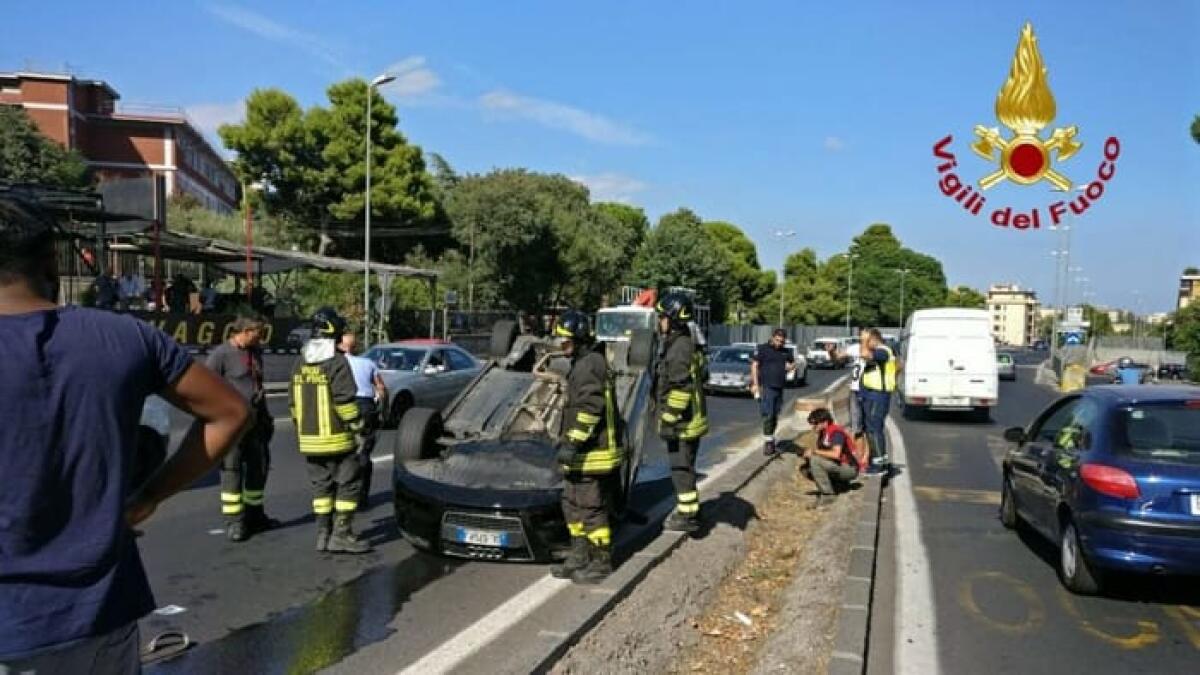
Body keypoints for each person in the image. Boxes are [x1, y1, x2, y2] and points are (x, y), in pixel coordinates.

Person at [0, 194, 249, 672]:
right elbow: (231, 412)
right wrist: (150, 495)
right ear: (51, 262)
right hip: (101, 615)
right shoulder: (125, 337)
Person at [550, 310, 624, 584]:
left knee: (590, 506)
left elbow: (591, 408)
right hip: (580, 452)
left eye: (566, 340)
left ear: (580, 338)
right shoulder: (582, 362)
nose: (561, 345)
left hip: (592, 452)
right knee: (571, 502)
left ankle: (601, 561)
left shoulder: (590, 364)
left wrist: (572, 442)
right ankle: (579, 554)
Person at [290, 307, 370, 554]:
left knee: (321, 489)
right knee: (348, 485)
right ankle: (341, 535)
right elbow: (345, 403)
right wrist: (359, 429)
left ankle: (322, 535)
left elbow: (293, 406)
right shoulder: (336, 362)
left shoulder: (300, 362)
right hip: (337, 441)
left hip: (310, 441)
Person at [207, 316, 279, 542]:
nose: (260, 336)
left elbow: (258, 386)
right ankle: (235, 523)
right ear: (244, 331)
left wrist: (266, 418)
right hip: (231, 426)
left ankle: (255, 516)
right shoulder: (221, 355)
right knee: (232, 472)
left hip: (256, 424)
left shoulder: (255, 352)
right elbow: (207, 387)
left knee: (259, 469)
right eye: (257, 332)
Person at [654, 292, 709, 533]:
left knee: (681, 469)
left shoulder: (678, 349)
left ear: (673, 319)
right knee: (686, 467)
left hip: (683, 423)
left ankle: (688, 516)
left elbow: (680, 389)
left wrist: (668, 420)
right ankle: (691, 509)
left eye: (662, 317)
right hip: (693, 419)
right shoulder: (687, 342)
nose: (659, 321)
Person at [339, 331, 387, 512]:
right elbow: (381, 389)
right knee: (363, 452)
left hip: (342, 406)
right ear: (356, 347)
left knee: (343, 451)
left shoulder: (335, 363)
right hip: (365, 408)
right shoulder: (368, 363)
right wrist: (383, 411)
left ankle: (341, 493)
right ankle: (362, 497)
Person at [803, 408, 861, 509]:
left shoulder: (835, 433)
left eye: (815, 424)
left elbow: (836, 454)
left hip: (849, 467)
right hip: (840, 465)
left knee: (815, 461)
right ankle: (838, 485)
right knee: (806, 467)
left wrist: (814, 452)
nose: (813, 427)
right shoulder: (823, 434)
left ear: (824, 422)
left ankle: (828, 495)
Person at [751, 328, 796, 457]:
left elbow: (792, 363)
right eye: (777, 340)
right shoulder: (763, 349)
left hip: (779, 387)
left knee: (775, 415)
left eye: (782, 342)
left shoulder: (786, 351)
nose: (779, 343)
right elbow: (754, 365)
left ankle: (770, 438)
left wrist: (790, 367)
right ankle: (768, 443)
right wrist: (755, 384)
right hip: (766, 386)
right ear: (772, 338)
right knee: (768, 414)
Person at [859, 328, 897, 475]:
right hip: (873, 395)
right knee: (873, 429)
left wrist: (863, 340)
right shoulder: (882, 352)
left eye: (868, 341)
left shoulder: (883, 351)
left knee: (874, 429)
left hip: (878, 395)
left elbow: (864, 354)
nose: (866, 344)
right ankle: (880, 461)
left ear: (874, 339)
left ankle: (879, 465)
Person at [843, 340, 866, 446]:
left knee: (867, 427)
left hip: (868, 391)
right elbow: (839, 357)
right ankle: (856, 452)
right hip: (855, 390)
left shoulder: (876, 350)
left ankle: (865, 453)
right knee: (855, 426)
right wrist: (831, 352)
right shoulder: (855, 348)